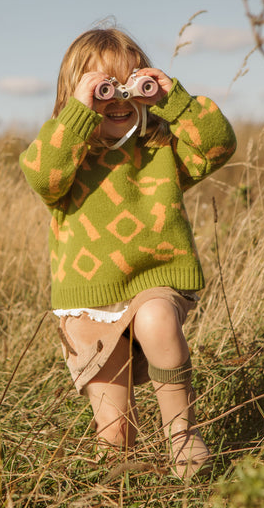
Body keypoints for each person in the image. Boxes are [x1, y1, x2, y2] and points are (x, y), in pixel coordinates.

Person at [19, 27, 236, 479]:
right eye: (102, 87)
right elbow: (43, 177)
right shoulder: (67, 150)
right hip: (88, 300)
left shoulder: (158, 147)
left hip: (154, 282)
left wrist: (172, 99)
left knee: (156, 316)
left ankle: (182, 433)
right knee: (114, 433)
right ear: (76, 93)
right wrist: (80, 115)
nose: (116, 97)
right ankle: (123, 494)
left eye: (128, 84)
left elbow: (218, 144)